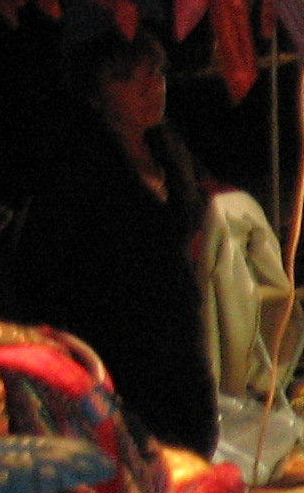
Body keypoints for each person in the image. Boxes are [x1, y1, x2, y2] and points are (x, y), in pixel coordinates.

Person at [15, 29, 218, 457]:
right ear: (99, 92)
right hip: (117, 345)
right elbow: (48, 270)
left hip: (176, 333)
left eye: (157, 73)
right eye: (131, 78)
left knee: (194, 445)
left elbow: (188, 224)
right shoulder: (78, 168)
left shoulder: (168, 150)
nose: (152, 87)